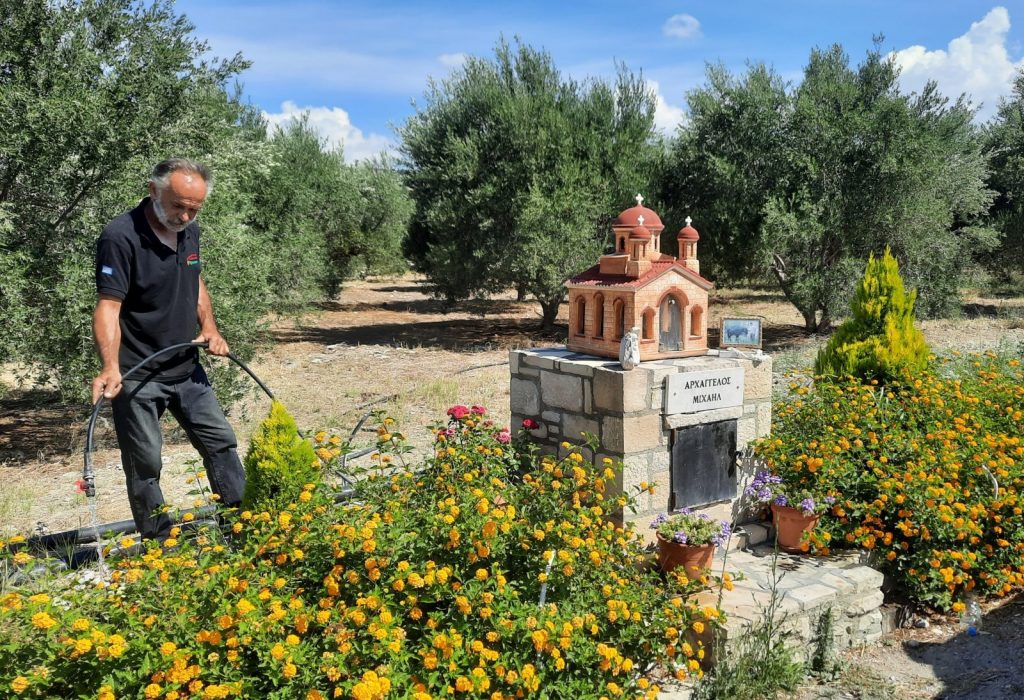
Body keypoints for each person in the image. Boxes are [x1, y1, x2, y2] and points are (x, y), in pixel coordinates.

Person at [91, 158, 245, 540]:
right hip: (138, 375)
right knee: (145, 464)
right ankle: (159, 548)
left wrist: (209, 328)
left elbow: (194, 278)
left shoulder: (188, 231)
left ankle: (243, 526)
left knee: (221, 442)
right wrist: (110, 366)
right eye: (179, 205)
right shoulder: (120, 236)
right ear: (154, 191)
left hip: (186, 366)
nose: (186, 215)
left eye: (195, 208)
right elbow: (108, 306)